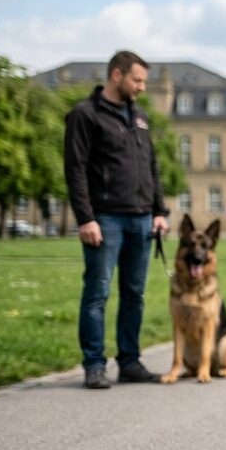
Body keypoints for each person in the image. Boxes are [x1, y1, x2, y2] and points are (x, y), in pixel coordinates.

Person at [63, 50, 170, 390]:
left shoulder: (138, 117)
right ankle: (94, 364)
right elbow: (75, 170)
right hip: (105, 219)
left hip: (141, 219)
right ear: (116, 75)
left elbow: (150, 167)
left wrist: (158, 211)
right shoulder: (85, 115)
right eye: (137, 80)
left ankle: (129, 361)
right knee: (98, 292)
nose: (141, 87)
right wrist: (86, 218)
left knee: (134, 294)